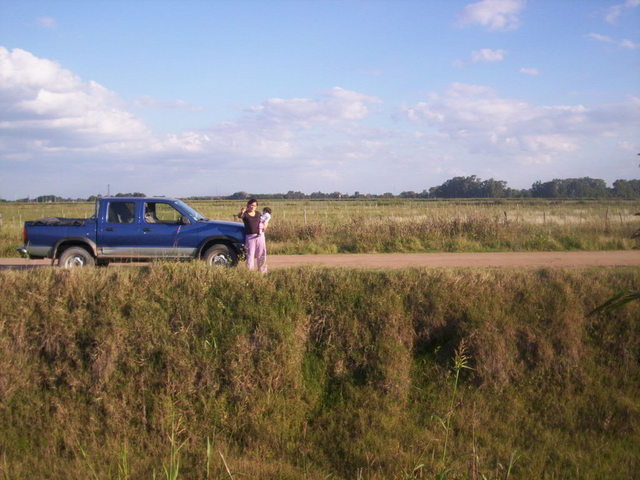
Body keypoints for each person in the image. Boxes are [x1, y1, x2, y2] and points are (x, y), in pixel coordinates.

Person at [238, 198, 267, 273]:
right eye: (251, 205)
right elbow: (240, 216)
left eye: (254, 205)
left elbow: (263, 222)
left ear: (256, 206)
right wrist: (242, 212)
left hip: (260, 236)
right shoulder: (245, 214)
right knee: (250, 255)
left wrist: (265, 225)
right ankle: (249, 272)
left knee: (261, 254)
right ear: (248, 205)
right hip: (250, 237)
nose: (252, 207)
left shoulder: (258, 213)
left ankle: (262, 271)